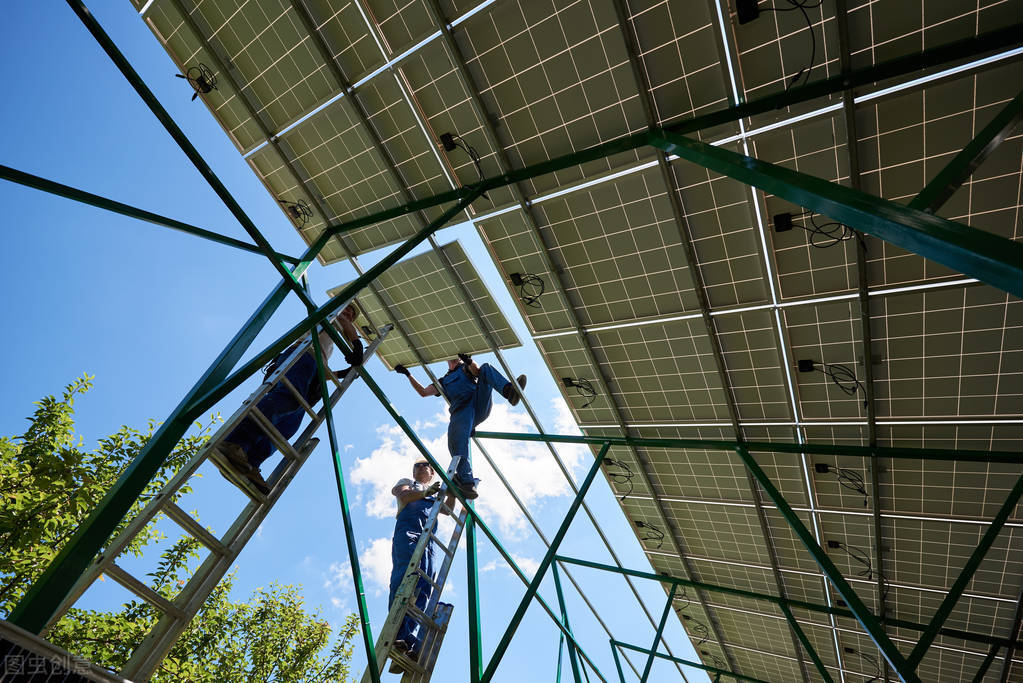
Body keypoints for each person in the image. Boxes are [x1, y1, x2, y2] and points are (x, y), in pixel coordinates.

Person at [220, 304, 363, 493]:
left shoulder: (329, 339)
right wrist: (357, 344)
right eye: (348, 310)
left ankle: (251, 461)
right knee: (287, 398)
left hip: (312, 362)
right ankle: (235, 441)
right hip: (302, 354)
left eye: (352, 314)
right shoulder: (333, 314)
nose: (348, 314)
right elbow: (343, 322)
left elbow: (319, 364)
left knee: (290, 424)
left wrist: (338, 373)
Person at [394, 354, 525, 499]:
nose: (457, 359)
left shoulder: (466, 368)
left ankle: (509, 391)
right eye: (453, 357)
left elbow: (476, 371)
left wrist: (469, 361)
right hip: (462, 411)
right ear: (447, 359)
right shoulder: (443, 381)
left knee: (485, 368)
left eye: (460, 358)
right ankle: (467, 483)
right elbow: (423, 392)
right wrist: (408, 374)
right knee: (456, 443)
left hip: (478, 403)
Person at [387, 458, 442, 672]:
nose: (420, 468)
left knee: (424, 588)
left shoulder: (436, 493)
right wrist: (426, 493)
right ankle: (397, 635)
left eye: (425, 465)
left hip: (428, 541)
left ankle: (407, 641)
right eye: (417, 466)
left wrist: (453, 489)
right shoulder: (409, 484)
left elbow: (447, 509)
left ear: (432, 473)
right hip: (408, 534)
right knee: (405, 578)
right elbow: (403, 495)